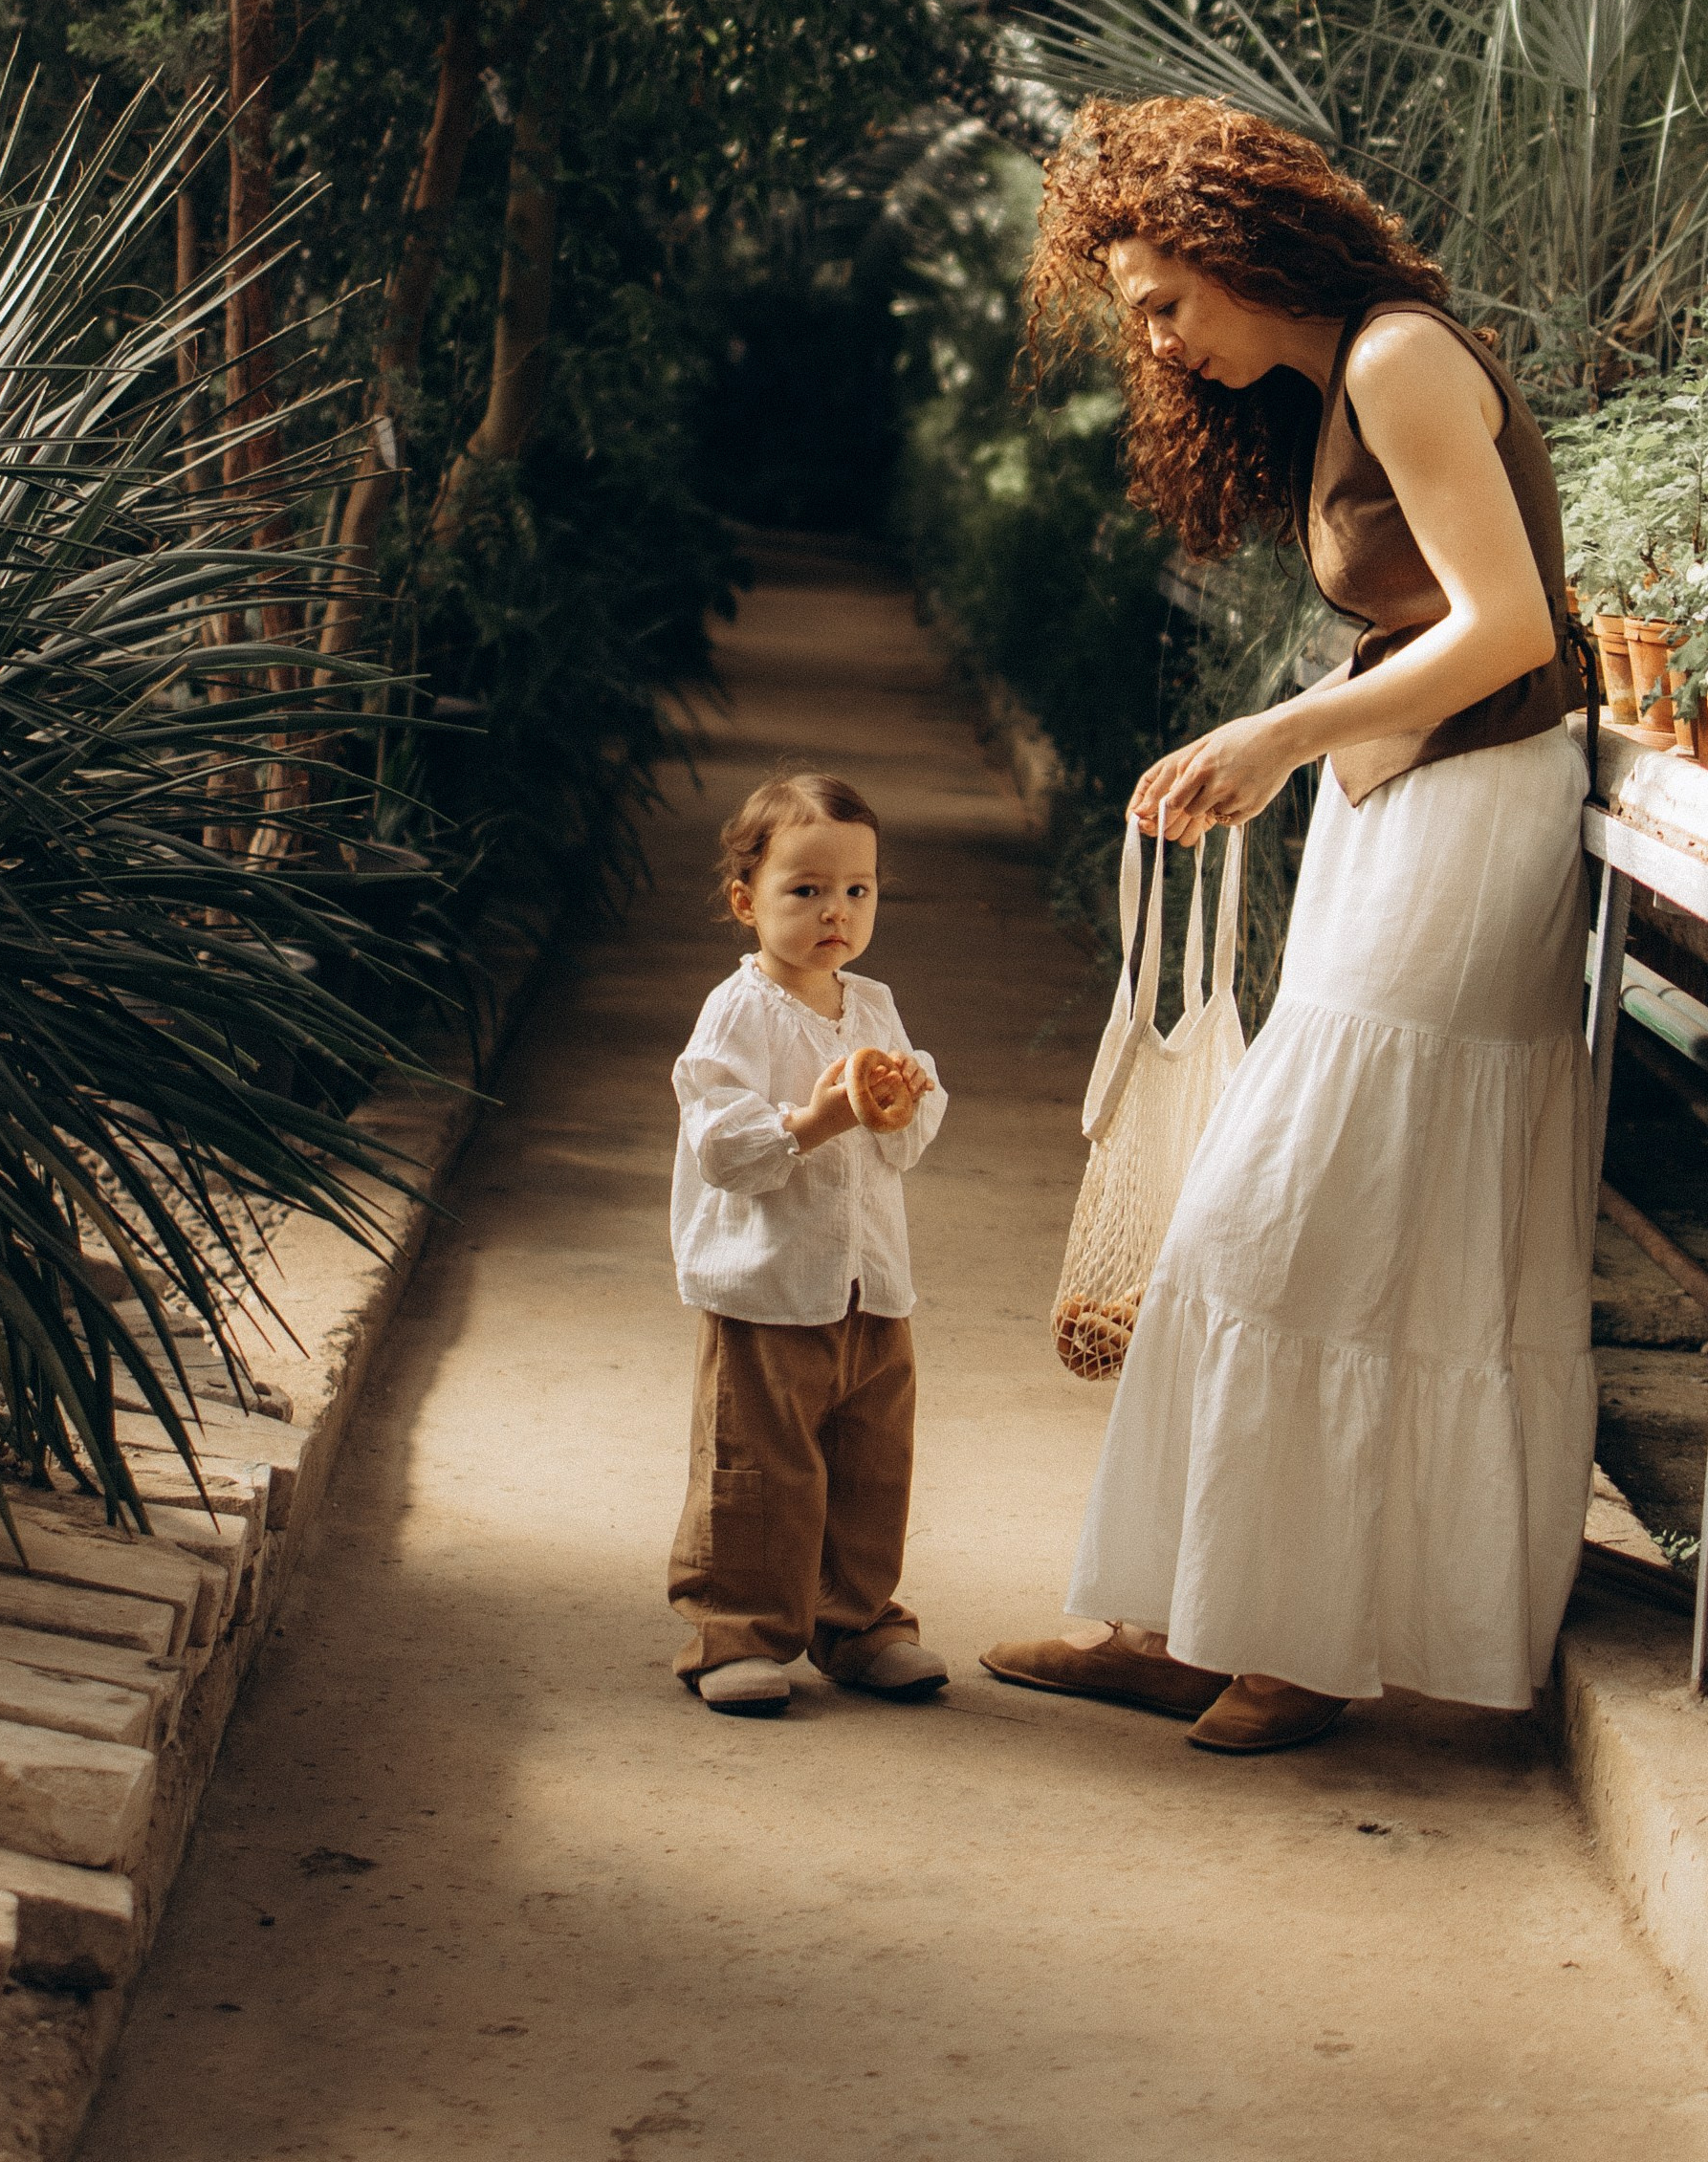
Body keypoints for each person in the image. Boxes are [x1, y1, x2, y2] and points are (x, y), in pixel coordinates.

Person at [984, 97, 1594, 1756]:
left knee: (1308, 1209)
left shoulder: (1399, 358)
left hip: (1476, 822)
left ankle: (1294, 1640)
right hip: (1404, 809)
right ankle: (1202, 1617)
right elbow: (1430, 627)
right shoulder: (1346, 382)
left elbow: (1513, 624)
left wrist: (1277, 734)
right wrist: (1279, 738)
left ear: (1240, 243)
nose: (1158, 337)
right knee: (1287, 1210)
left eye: (1166, 299)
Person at [667, 768, 951, 1715]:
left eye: (857, 890)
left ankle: (859, 1622)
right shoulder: (739, 1012)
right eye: (807, 890)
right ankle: (737, 1632)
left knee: (872, 1464)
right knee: (760, 1468)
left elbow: (904, 1145)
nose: (837, 912)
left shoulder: (872, 1005)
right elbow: (721, 1146)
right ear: (747, 902)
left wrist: (909, 1098)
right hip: (770, 1287)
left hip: (873, 1286)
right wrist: (813, 1122)